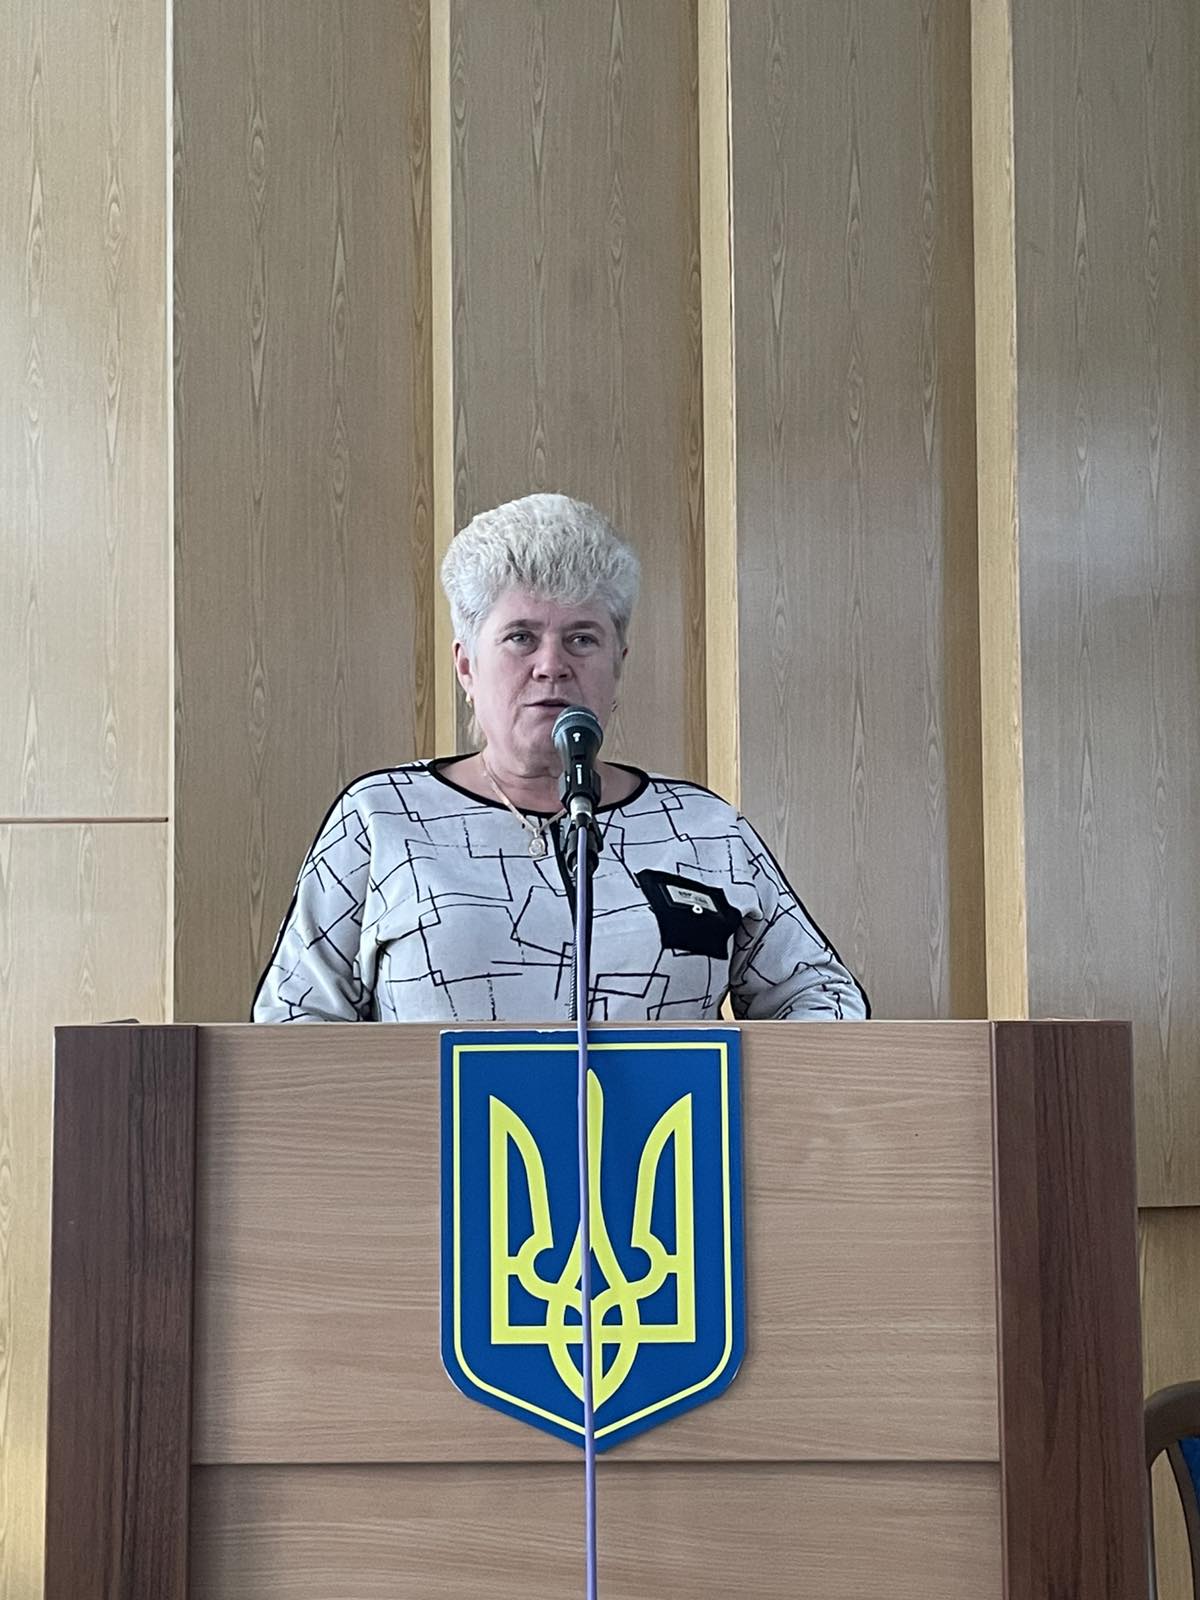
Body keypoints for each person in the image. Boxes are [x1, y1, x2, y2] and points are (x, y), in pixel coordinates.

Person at [252, 494, 868, 1024]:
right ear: (466, 665)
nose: (552, 665)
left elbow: (825, 1001)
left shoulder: (703, 830)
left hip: (662, 1133)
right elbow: (295, 1023)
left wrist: (736, 1097)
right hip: (436, 1133)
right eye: (521, 637)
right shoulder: (382, 819)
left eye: (581, 638)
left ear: (618, 662)